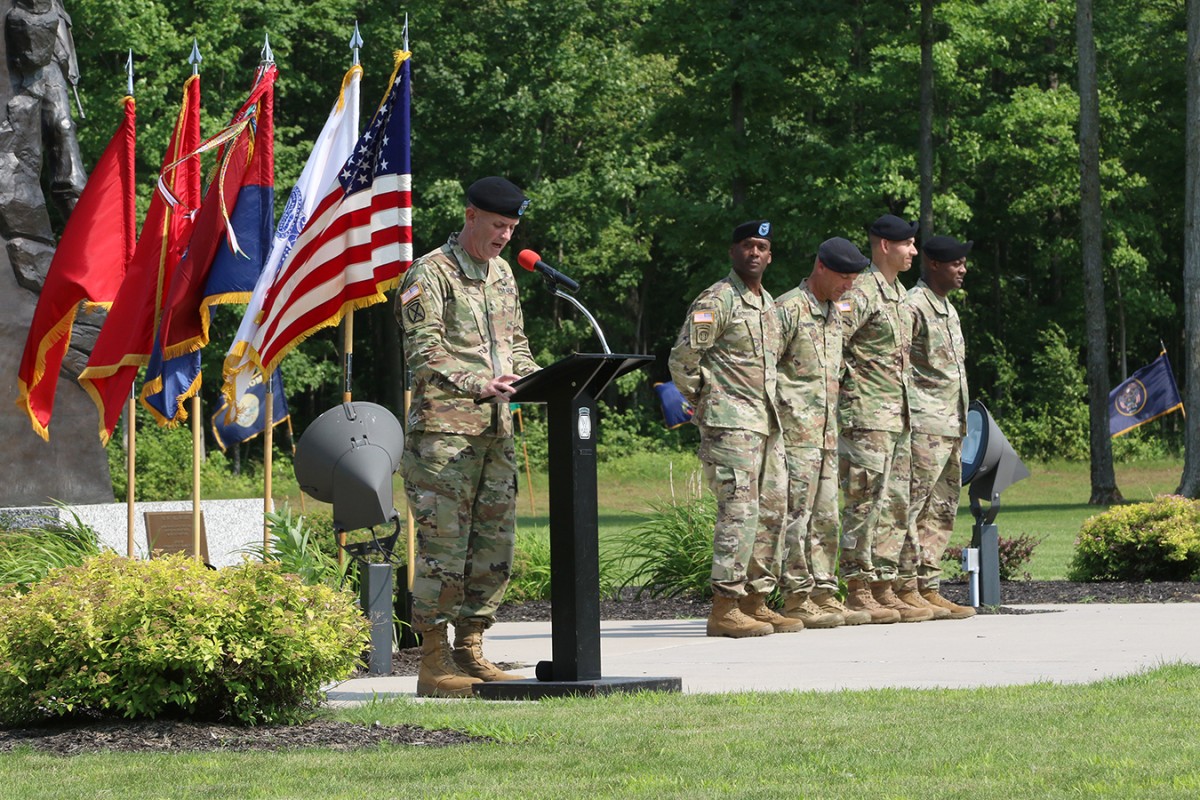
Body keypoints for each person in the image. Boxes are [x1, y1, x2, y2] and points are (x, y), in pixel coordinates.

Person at [395, 176, 540, 697]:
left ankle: (472, 648)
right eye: (498, 225)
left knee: (492, 546)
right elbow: (424, 350)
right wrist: (481, 383)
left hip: (497, 432)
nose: (505, 236)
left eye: (512, 228)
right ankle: (434, 662)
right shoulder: (428, 274)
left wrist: (537, 377)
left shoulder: (503, 274)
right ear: (470, 216)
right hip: (445, 436)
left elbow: (517, 344)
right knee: (445, 549)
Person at [668, 220, 800, 638]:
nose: (755, 253)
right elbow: (683, 359)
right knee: (739, 514)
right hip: (730, 426)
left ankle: (755, 602)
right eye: (747, 246)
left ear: (771, 255)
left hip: (766, 425)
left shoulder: (768, 306)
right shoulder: (718, 299)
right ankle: (725, 607)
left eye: (762, 246)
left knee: (772, 513)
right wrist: (706, 399)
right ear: (733, 252)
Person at [838, 214, 933, 623]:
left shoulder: (898, 295)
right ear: (883, 246)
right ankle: (857, 587)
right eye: (907, 244)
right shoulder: (861, 292)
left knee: (894, 504)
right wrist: (849, 389)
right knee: (864, 503)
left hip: (897, 418)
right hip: (866, 418)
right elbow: (829, 340)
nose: (913, 251)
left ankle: (882, 584)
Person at [774, 237, 872, 628]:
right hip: (794, 434)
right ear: (821, 267)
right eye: (843, 277)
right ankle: (796, 596)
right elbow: (766, 369)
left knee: (827, 517)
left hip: (826, 435)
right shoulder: (787, 309)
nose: (849, 286)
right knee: (795, 517)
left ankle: (823, 593)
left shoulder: (834, 313)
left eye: (854, 278)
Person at [903, 235, 977, 619]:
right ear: (932, 264)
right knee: (912, 508)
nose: (962, 269)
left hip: (951, 424)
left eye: (963, 262)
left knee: (943, 509)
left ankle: (928, 586)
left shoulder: (947, 309)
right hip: (923, 426)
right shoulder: (912, 306)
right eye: (955, 263)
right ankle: (903, 586)